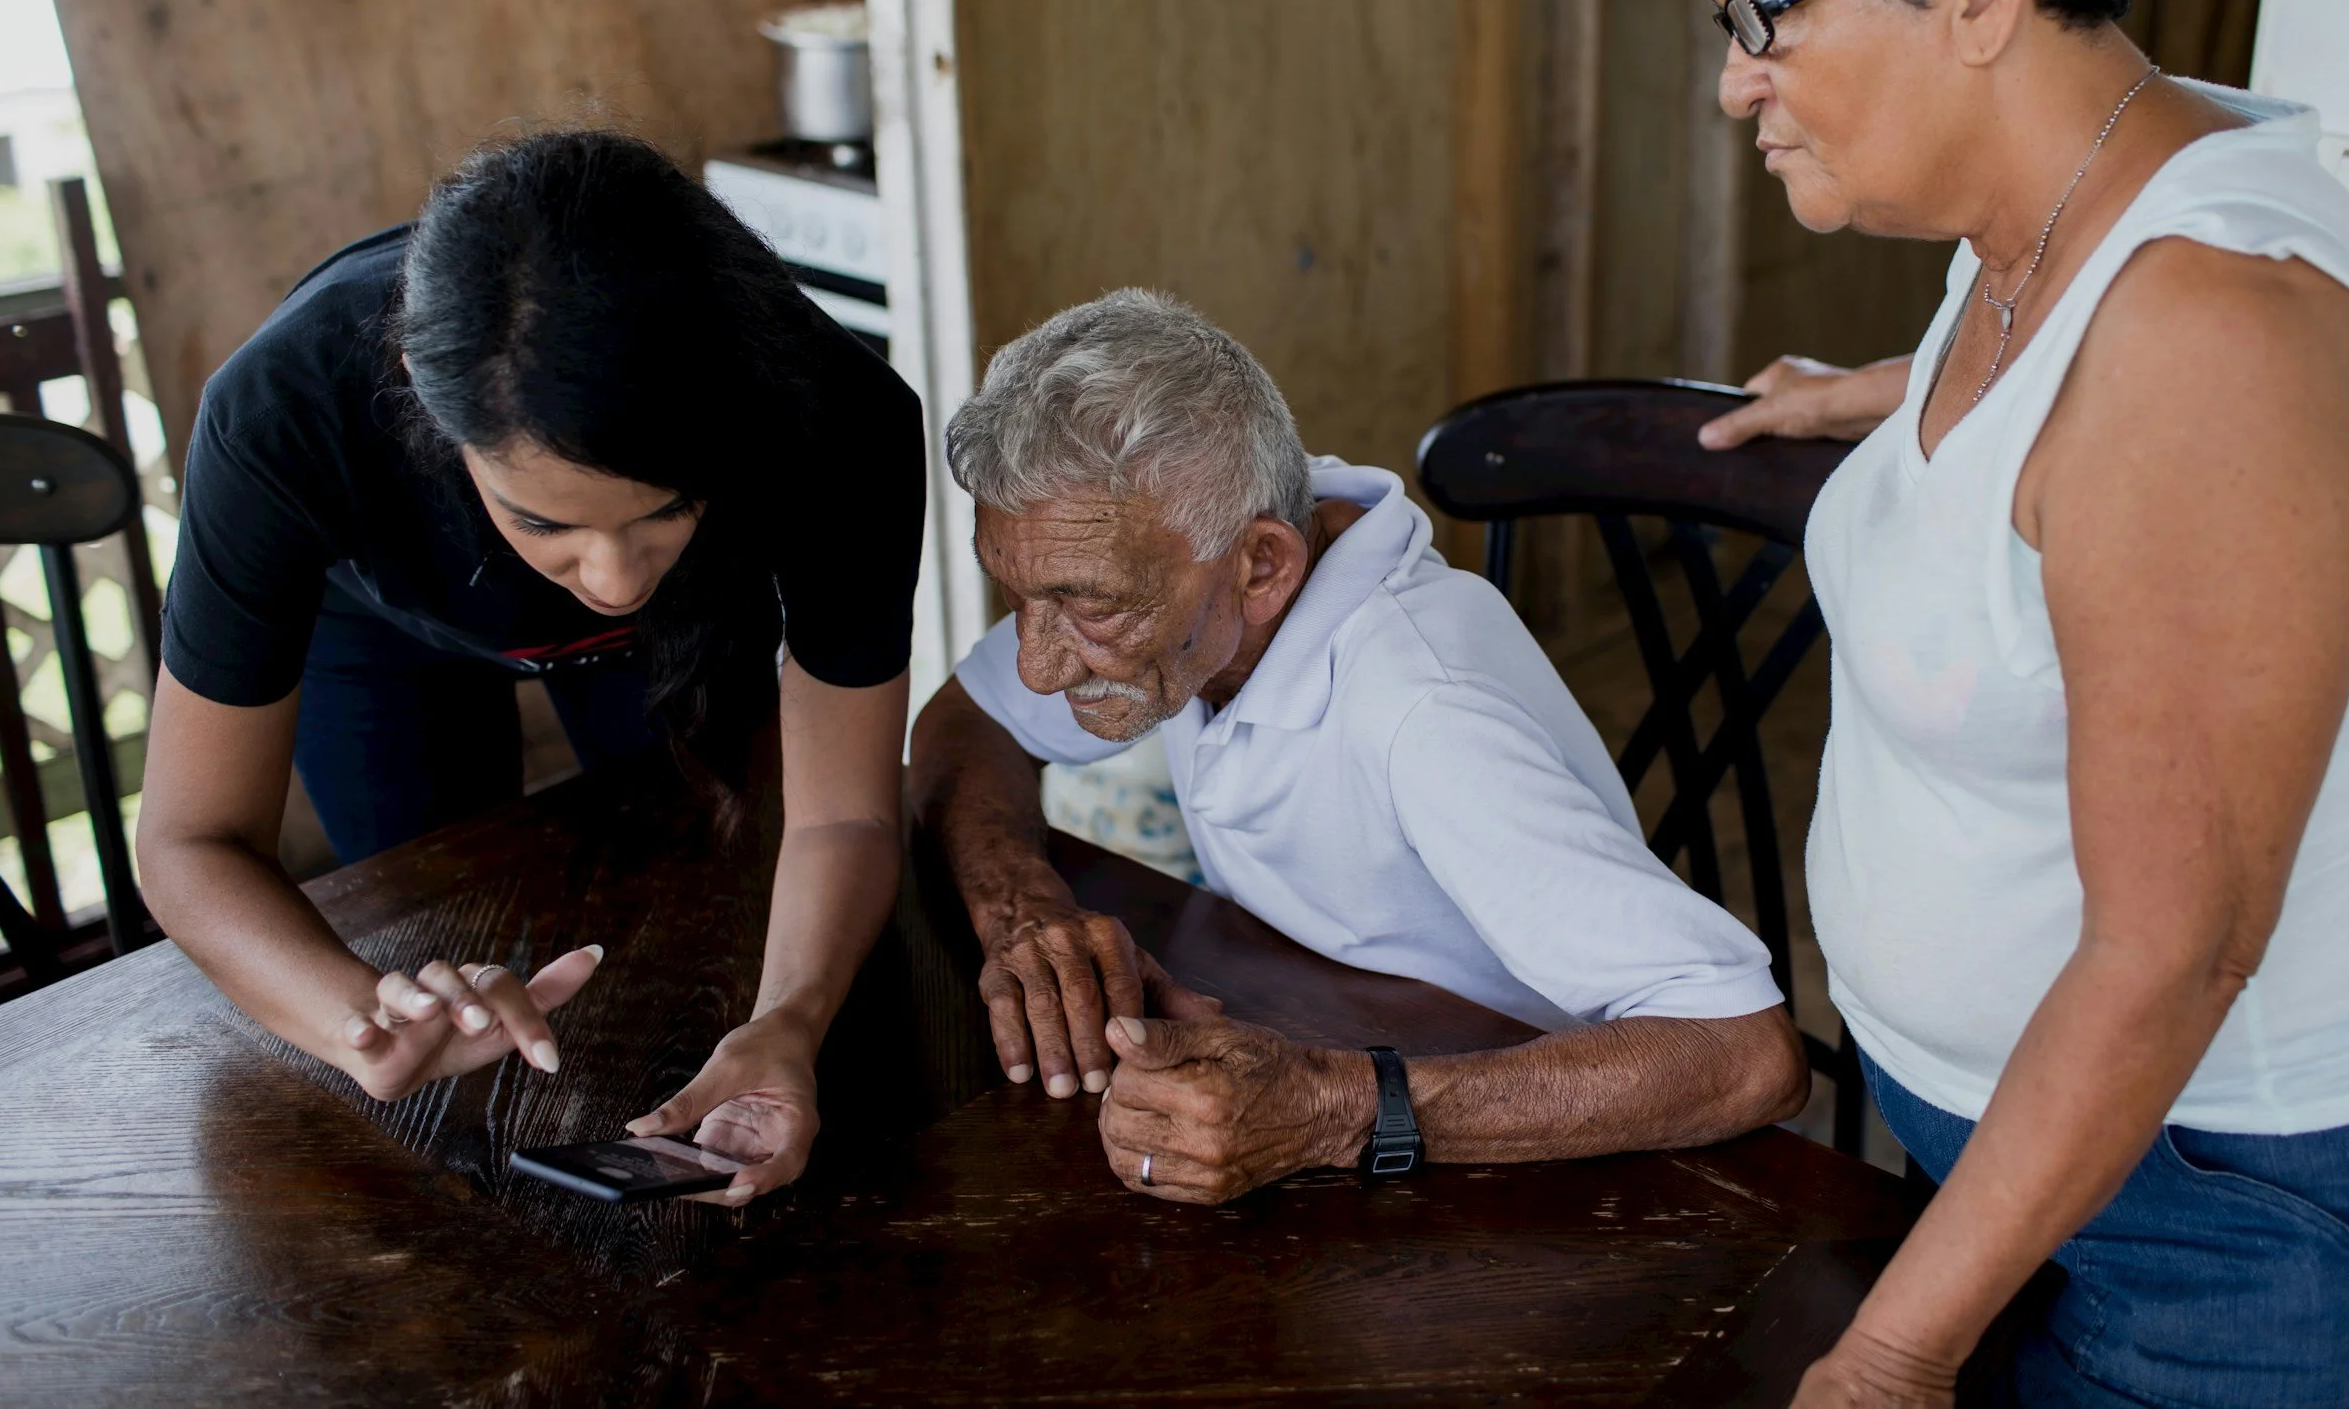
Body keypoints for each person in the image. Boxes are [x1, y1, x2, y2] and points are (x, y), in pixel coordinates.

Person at [1645, 0, 2349, 1402]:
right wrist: (1877, 402)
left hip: (2231, 1228)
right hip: (2053, 1160)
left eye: (1764, 14)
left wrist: (1892, 1349)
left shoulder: (2213, 347)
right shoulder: (2052, 211)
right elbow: (2064, 407)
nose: (1738, 82)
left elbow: (2173, 946)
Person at [137, 130, 924, 1206]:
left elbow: (843, 816)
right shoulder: (285, 411)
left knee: (709, 889)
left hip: (703, 616)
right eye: (545, 518)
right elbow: (190, 841)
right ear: (421, 388)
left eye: (666, 506)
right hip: (378, 626)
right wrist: (360, 1018)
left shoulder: (837, 413)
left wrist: (786, 1022)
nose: (611, 579)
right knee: (431, 916)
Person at [909, 290, 1809, 1206]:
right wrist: (1021, 907)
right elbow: (966, 720)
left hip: (1540, 1155)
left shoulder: (1423, 715)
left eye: (1088, 604)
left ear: (1263, 567)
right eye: (1018, 596)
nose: (1040, 659)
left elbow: (1743, 1051)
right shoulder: (1201, 543)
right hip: (1326, 1012)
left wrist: (1334, 1106)